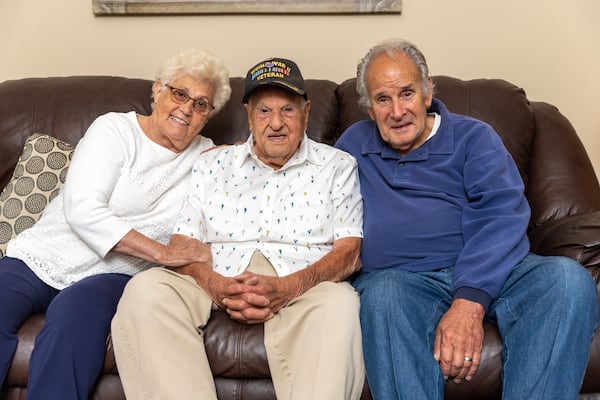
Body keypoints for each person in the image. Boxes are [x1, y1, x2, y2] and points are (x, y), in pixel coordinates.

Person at [335, 38, 599, 399]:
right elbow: (306, 186)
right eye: (383, 99)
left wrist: (469, 300)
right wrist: (234, 155)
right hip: (400, 282)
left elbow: (503, 216)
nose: (397, 111)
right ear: (369, 108)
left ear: (428, 92)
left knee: (568, 280)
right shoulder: (353, 145)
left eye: (407, 93)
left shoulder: (473, 138)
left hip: (489, 270)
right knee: (384, 296)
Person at [111, 57, 365, 400]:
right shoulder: (211, 164)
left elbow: (349, 252)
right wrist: (216, 285)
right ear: (248, 115)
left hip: (303, 280)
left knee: (341, 305)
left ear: (306, 112)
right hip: (216, 272)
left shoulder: (338, 165)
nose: (276, 123)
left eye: (288, 110)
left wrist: (288, 288)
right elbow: (182, 243)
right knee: (147, 289)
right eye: (264, 111)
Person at [0, 48, 232, 399]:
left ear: (210, 114)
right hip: (44, 253)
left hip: (115, 273)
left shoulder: (209, 158)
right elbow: (82, 208)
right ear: (157, 90)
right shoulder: (115, 129)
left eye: (201, 104)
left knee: (71, 321)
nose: (187, 108)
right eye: (179, 93)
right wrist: (164, 253)